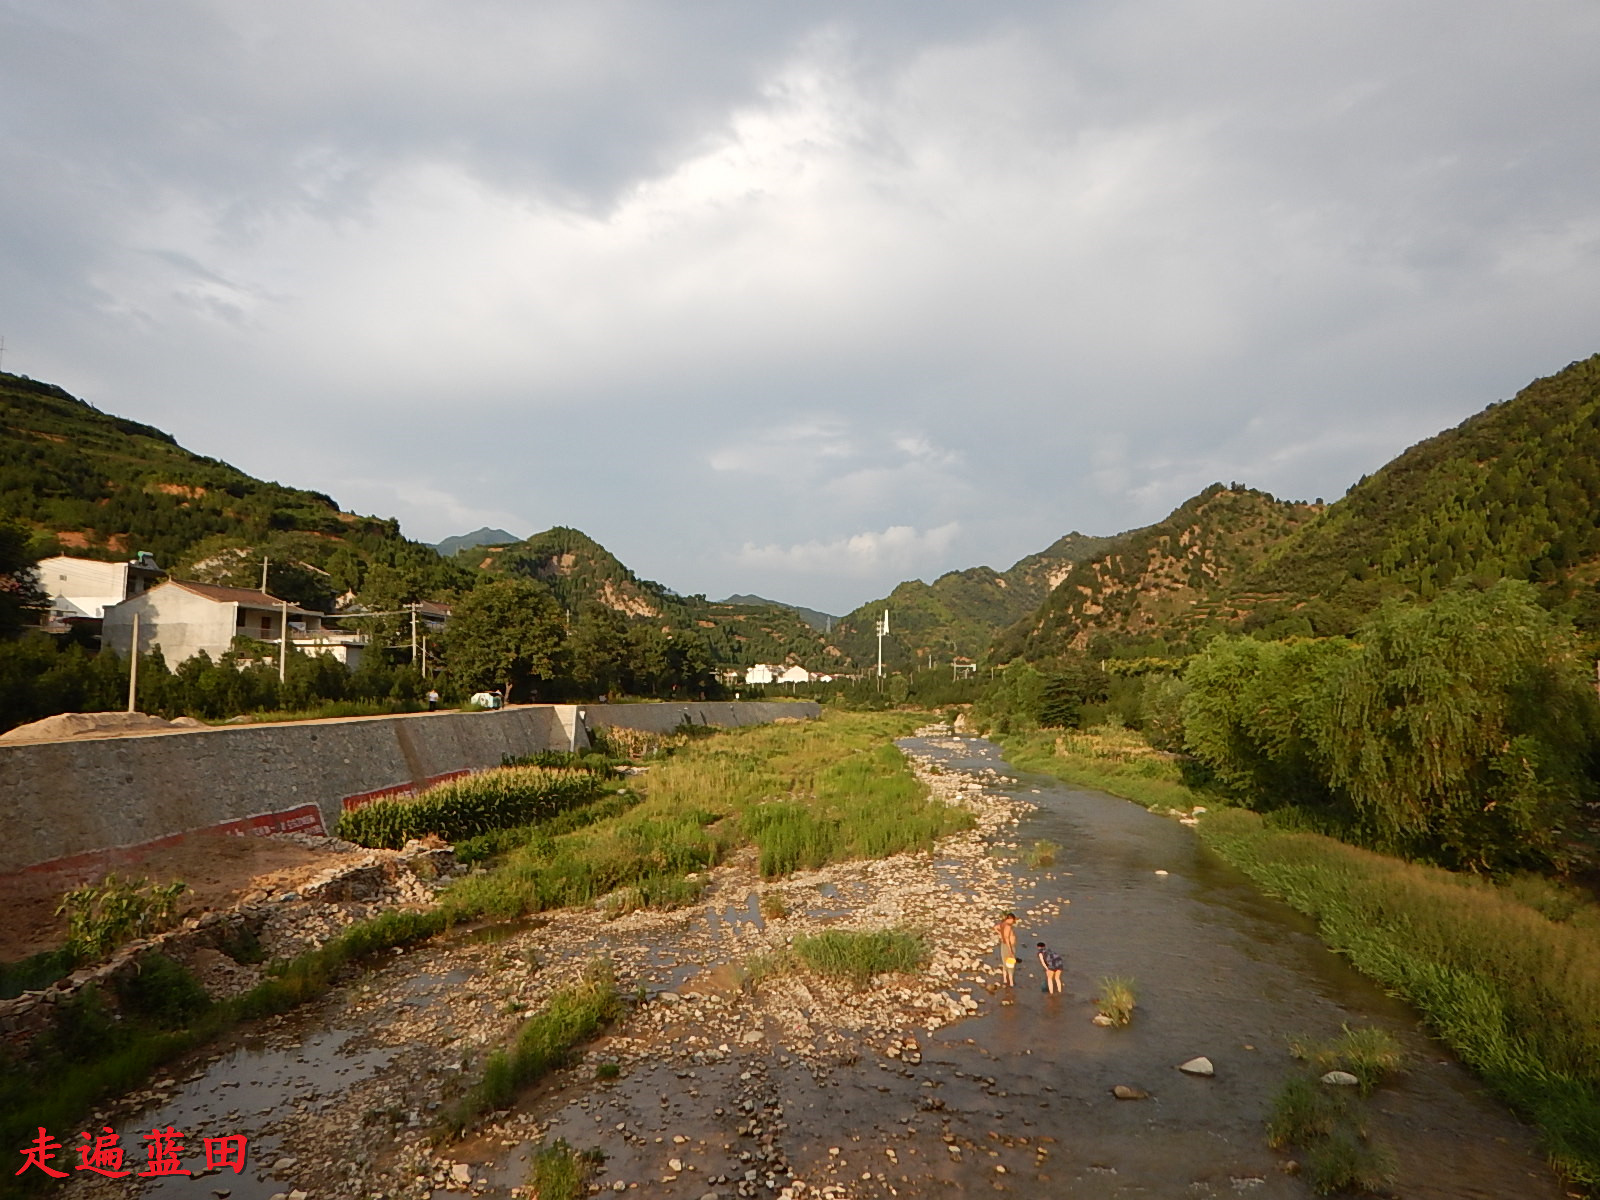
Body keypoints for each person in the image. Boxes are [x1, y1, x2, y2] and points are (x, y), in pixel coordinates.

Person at [993, 912, 1019, 986]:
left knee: (1005, 963)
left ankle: (1004, 979)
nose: (1013, 923)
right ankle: (1011, 982)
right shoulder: (1008, 926)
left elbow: (995, 927)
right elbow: (1007, 938)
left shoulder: (1002, 924)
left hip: (1003, 945)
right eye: (1013, 921)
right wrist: (1011, 951)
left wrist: (1000, 934)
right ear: (1010, 919)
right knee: (1010, 963)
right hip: (1008, 946)